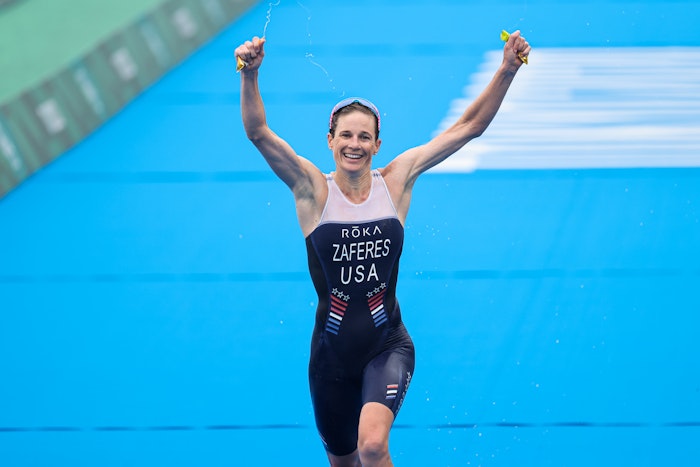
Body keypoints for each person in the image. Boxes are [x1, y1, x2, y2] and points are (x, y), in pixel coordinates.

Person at [235, 31, 530, 467]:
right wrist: (250, 73)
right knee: (346, 463)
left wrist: (507, 69)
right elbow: (258, 133)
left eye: (364, 137)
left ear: (377, 144)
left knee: (373, 446)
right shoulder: (311, 190)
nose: (354, 145)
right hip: (330, 359)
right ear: (330, 140)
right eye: (345, 135)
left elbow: (468, 127)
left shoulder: (396, 181)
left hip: (386, 346)